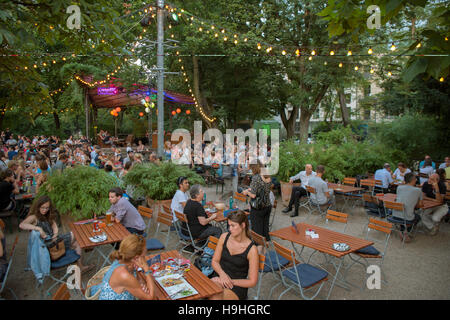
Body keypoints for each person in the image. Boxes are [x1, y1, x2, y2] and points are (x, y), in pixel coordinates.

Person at [19, 195, 94, 272]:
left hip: (54, 241)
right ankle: (87, 248)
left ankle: (80, 267)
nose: (44, 210)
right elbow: (22, 225)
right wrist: (38, 228)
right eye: (42, 207)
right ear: (38, 206)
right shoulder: (34, 217)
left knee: (77, 243)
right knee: (75, 234)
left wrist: (55, 233)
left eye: (47, 208)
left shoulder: (46, 215)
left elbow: (54, 224)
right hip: (48, 247)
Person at [209, 210, 259, 300]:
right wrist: (222, 275)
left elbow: (252, 281)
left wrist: (229, 281)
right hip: (219, 277)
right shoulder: (224, 237)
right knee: (210, 294)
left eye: (233, 225)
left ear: (243, 225)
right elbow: (215, 261)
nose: (229, 229)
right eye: (229, 225)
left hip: (237, 286)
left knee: (215, 297)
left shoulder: (252, 250)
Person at [98, 234, 156, 300]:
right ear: (136, 258)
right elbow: (151, 298)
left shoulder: (126, 260)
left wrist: (142, 284)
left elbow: (139, 279)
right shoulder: (123, 274)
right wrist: (147, 269)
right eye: (144, 253)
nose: (146, 251)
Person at [242, 162, 272, 240]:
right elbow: (263, 188)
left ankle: (258, 250)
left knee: (257, 234)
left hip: (258, 207)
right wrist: (251, 189)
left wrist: (247, 192)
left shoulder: (256, 177)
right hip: (267, 205)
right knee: (265, 231)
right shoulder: (267, 175)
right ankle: (265, 248)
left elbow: (253, 195)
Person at [394, 173, 423, 243]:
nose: (416, 180)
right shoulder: (418, 190)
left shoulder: (399, 187)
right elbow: (420, 205)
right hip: (407, 216)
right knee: (417, 217)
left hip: (395, 214)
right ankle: (406, 232)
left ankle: (402, 229)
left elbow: (398, 199)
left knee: (405, 213)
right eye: (415, 179)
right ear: (413, 180)